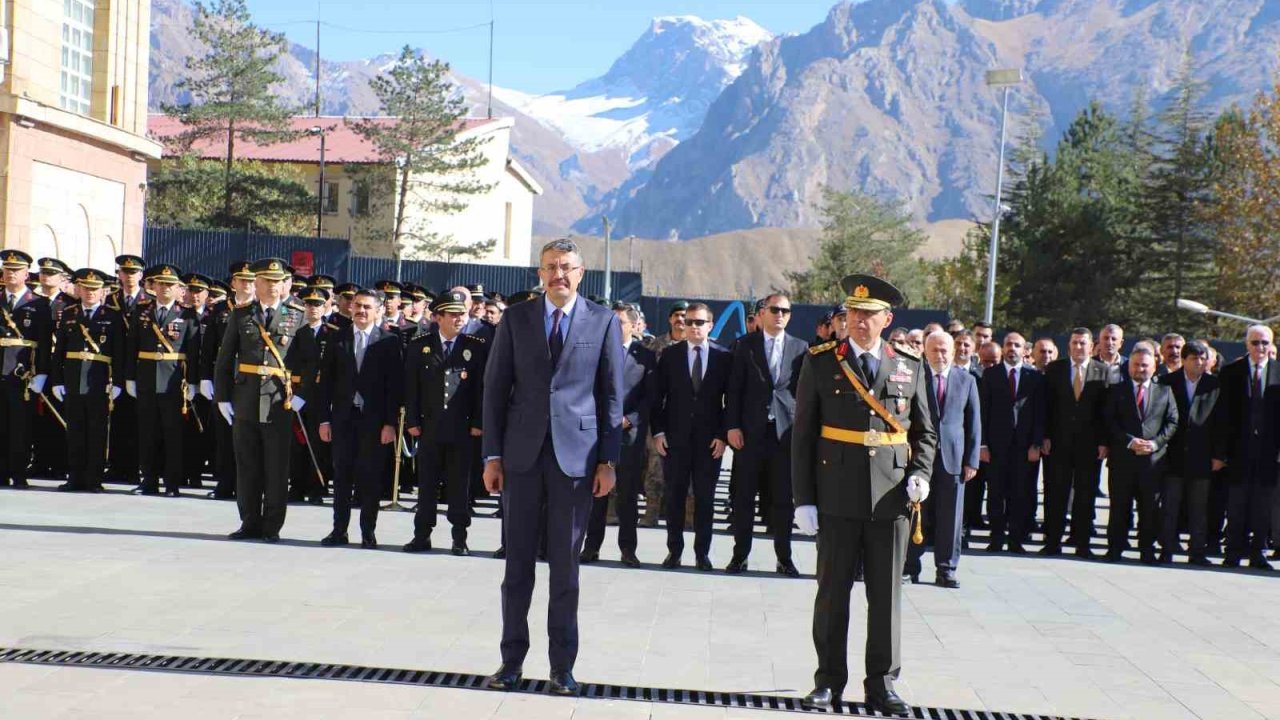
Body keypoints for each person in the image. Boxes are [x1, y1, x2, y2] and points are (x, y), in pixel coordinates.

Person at [481, 238, 623, 697]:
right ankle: (510, 662)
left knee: (565, 569)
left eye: (566, 268)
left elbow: (611, 396)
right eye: (549, 268)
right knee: (516, 566)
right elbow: (495, 388)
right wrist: (492, 455)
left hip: (577, 461)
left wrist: (608, 459)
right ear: (539, 273)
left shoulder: (602, 321)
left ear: (581, 272)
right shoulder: (516, 318)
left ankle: (562, 666)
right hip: (521, 458)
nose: (557, 275)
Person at [793, 274, 937, 716]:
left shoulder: (910, 364)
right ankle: (828, 682)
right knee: (832, 593)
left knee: (886, 595)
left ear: (887, 319)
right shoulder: (819, 361)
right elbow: (802, 435)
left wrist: (922, 473)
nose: (858, 321)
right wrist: (804, 499)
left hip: (892, 497)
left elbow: (925, 431)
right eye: (853, 314)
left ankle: (882, 683)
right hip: (836, 493)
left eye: (869, 315)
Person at [213, 258, 317, 543]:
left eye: (276, 281)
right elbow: (224, 360)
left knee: (276, 467)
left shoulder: (298, 315)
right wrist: (223, 398)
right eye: (266, 281)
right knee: (247, 465)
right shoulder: (241, 314)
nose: (272, 286)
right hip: (245, 399)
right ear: (255, 283)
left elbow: (311, 362)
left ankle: (272, 526)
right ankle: (249, 522)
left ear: (285, 284)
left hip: (278, 402)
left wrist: (302, 397)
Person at [313, 288, 403, 549]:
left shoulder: (389, 341)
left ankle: (368, 531)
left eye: (367, 307)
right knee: (341, 476)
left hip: (374, 422)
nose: (362, 311)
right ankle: (338, 530)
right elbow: (325, 384)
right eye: (358, 306)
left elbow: (393, 387)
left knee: (371, 477)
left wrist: (390, 424)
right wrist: (324, 420)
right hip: (343, 419)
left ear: (377, 310)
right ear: (350, 308)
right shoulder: (337, 338)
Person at [725, 292, 807, 576]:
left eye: (785, 310)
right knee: (744, 497)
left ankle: (784, 558)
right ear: (762, 313)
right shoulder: (744, 346)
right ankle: (740, 556)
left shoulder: (800, 348)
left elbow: (803, 394)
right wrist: (732, 427)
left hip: (784, 436)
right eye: (774, 310)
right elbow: (733, 390)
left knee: (783, 500)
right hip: (749, 434)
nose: (779, 315)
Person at [402, 290, 488, 555]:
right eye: (453, 314)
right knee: (426, 484)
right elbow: (411, 387)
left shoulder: (475, 347)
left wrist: (478, 422)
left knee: (459, 485)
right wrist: (412, 421)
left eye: (462, 313)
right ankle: (422, 535)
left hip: (461, 428)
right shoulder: (420, 346)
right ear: (438, 317)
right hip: (429, 427)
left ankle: (459, 537)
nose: (460, 318)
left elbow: (480, 389)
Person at [651, 302, 731, 572]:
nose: (694, 327)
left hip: (710, 442)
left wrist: (723, 436)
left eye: (699, 322)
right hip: (675, 439)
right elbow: (656, 397)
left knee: (705, 498)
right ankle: (674, 551)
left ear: (710, 325)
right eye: (689, 322)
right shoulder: (670, 355)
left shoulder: (723, 356)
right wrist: (658, 431)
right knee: (674, 496)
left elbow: (730, 400)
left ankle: (702, 553)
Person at [582, 303, 655, 567]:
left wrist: (631, 419)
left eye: (620, 322)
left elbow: (650, 397)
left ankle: (627, 549)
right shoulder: (594, 352)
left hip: (627, 435)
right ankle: (591, 547)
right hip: (596, 434)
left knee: (626, 496)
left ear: (634, 326)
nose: (614, 327)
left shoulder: (645, 357)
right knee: (596, 494)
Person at [904, 330, 979, 588]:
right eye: (934, 349)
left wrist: (971, 460)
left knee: (951, 518)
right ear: (925, 351)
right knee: (916, 513)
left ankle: (946, 569)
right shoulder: (916, 377)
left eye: (945, 349)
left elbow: (974, 423)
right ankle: (909, 566)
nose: (940, 355)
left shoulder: (966, 380)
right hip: (919, 457)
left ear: (953, 351)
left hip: (953, 460)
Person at [125, 264, 200, 497]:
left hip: (174, 382)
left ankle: (171, 483)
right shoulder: (141, 311)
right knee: (147, 432)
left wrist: (194, 382)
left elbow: (194, 352)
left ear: (178, 288)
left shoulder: (187, 315)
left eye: (170, 284)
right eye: (161, 284)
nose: (165, 288)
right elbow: (131, 347)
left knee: (172, 434)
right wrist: (129, 377)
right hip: (146, 379)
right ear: (153, 286)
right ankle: (148, 480)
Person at [51, 268, 125, 493]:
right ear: (79, 289)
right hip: (73, 380)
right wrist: (57, 380)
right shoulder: (70, 313)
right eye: (86, 288)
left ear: (103, 291)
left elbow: (119, 353)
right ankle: (74, 477)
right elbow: (59, 352)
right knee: (74, 430)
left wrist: (118, 382)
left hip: (99, 381)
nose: (90, 292)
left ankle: (94, 478)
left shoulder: (112, 316)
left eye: (94, 289)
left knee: (97, 431)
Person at [1103, 344, 1178, 564]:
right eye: (1136, 364)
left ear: (1154, 367)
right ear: (1129, 366)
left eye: (1145, 365)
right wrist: (1129, 442)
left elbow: (1173, 422)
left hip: (1152, 462)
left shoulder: (1165, 391)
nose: (1140, 369)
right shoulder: (1116, 390)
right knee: (1119, 506)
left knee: (1150, 510)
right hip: (1123, 460)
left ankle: (1147, 550)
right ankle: (1114, 549)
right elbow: (1109, 421)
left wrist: (1155, 444)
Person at [1213, 324, 1278, 570]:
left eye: (1265, 343)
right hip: (1238, 452)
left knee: (1262, 506)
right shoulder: (1231, 372)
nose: (1260, 348)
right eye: (1255, 343)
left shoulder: (1279, 372)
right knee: (1237, 505)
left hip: (1269, 454)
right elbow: (1221, 416)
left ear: (1271, 345)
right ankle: (1232, 552)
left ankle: (1258, 553)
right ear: (1246, 344)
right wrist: (1220, 453)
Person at [1040, 328, 1110, 557]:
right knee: (1055, 493)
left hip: (1089, 446)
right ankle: (1052, 542)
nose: (1078, 347)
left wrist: (1103, 441)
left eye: (1083, 343)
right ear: (1068, 346)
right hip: (1059, 443)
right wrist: (1045, 436)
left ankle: (1082, 543)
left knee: (1085, 494)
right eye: (1075, 343)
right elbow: (1046, 406)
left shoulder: (1103, 371)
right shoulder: (1055, 369)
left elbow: (1106, 411)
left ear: (1092, 347)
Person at [979, 332, 1046, 554]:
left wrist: (1036, 443)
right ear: (1003, 348)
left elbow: (1040, 413)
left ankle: (1016, 540)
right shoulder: (990, 375)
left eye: (1017, 345)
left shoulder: (1034, 377)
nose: (1012, 348)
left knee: (1020, 494)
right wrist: (983, 445)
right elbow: (983, 412)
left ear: (1025, 350)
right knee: (996, 493)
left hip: (1024, 447)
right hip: (996, 446)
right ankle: (996, 538)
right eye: (1008, 344)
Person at [1158, 340, 1218, 566]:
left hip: (1202, 458)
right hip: (1172, 456)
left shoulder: (1215, 385)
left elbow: (1222, 423)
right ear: (1184, 360)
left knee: (1199, 509)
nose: (1200, 362)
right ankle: (1166, 550)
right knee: (1170, 507)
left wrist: (1219, 455)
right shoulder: (1166, 382)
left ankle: (1197, 552)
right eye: (1194, 358)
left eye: (1203, 358)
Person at [0, 250, 53, 489]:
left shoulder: (39, 304)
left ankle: (19, 473)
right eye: (7, 269)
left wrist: (41, 373)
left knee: (20, 426)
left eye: (16, 270)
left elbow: (43, 340)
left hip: (22, 373)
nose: (10, 273)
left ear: (26, 274)